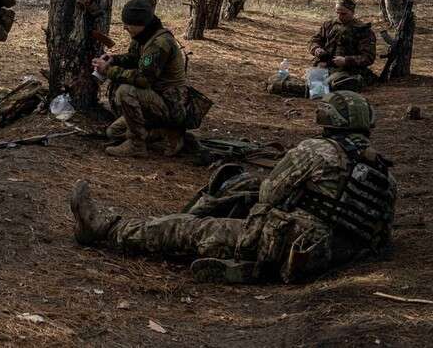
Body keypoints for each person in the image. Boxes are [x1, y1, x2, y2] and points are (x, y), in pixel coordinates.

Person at [70, 91, 397, 284]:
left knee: (190, 230)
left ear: (328, 120)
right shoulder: (382, 170)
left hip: (286, 246)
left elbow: (270, 195)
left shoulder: (317, 150)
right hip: (332, 255)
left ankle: (105, 229)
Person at [91, 0, 189, 157]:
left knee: (125, 91)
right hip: (154, 100)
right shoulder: (144, 36)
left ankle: (138, 144)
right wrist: (114, 59)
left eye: (128, 24)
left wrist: (109, 71)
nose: (125, 28)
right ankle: (165, 134)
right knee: (113, 132)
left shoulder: (159, 43)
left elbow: (144, 79)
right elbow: (134, 58)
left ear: (140, 24)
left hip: (169, 105)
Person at [309, 0, 376, 91]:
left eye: (343, 14)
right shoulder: (328, 25)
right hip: (325, 66)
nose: (339, 16)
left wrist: (346, 60)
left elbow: (368, 57)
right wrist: (316, 49)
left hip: (349, 70)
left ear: (352, 12)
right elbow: (314, 40)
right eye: (337, 13)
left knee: (333, 85)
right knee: (314, 85)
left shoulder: (363, 30)